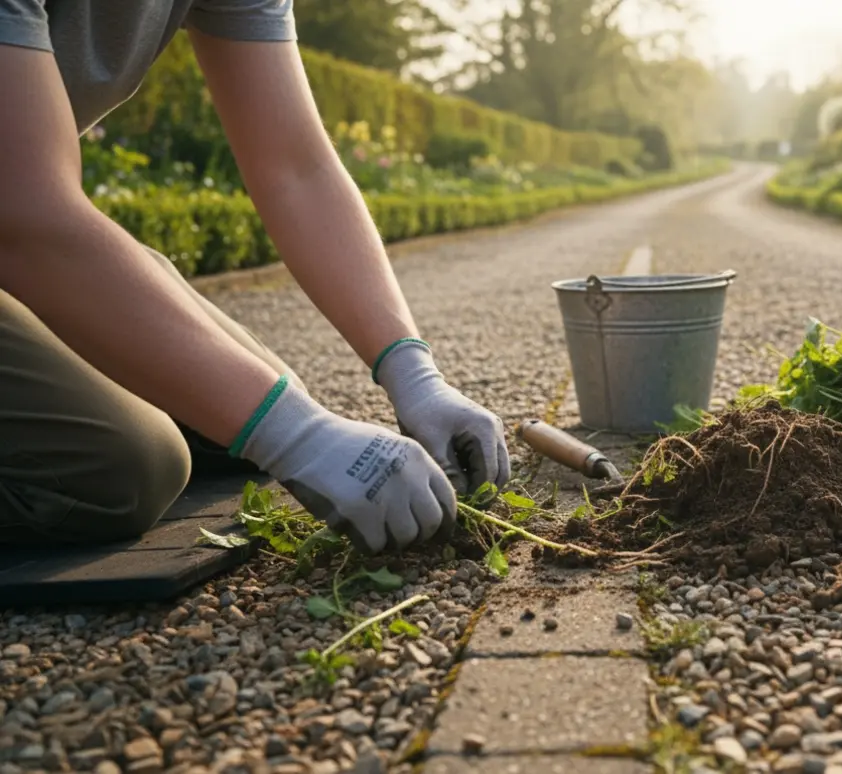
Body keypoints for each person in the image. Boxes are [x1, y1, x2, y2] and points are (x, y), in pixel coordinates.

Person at [0, 1, 510, 555]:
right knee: (122, 471)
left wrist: (414, 376)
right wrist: (297, 435)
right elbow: (25, 212)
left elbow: (296, 166)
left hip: (26, 220)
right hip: (22, 217)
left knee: (252, 407)